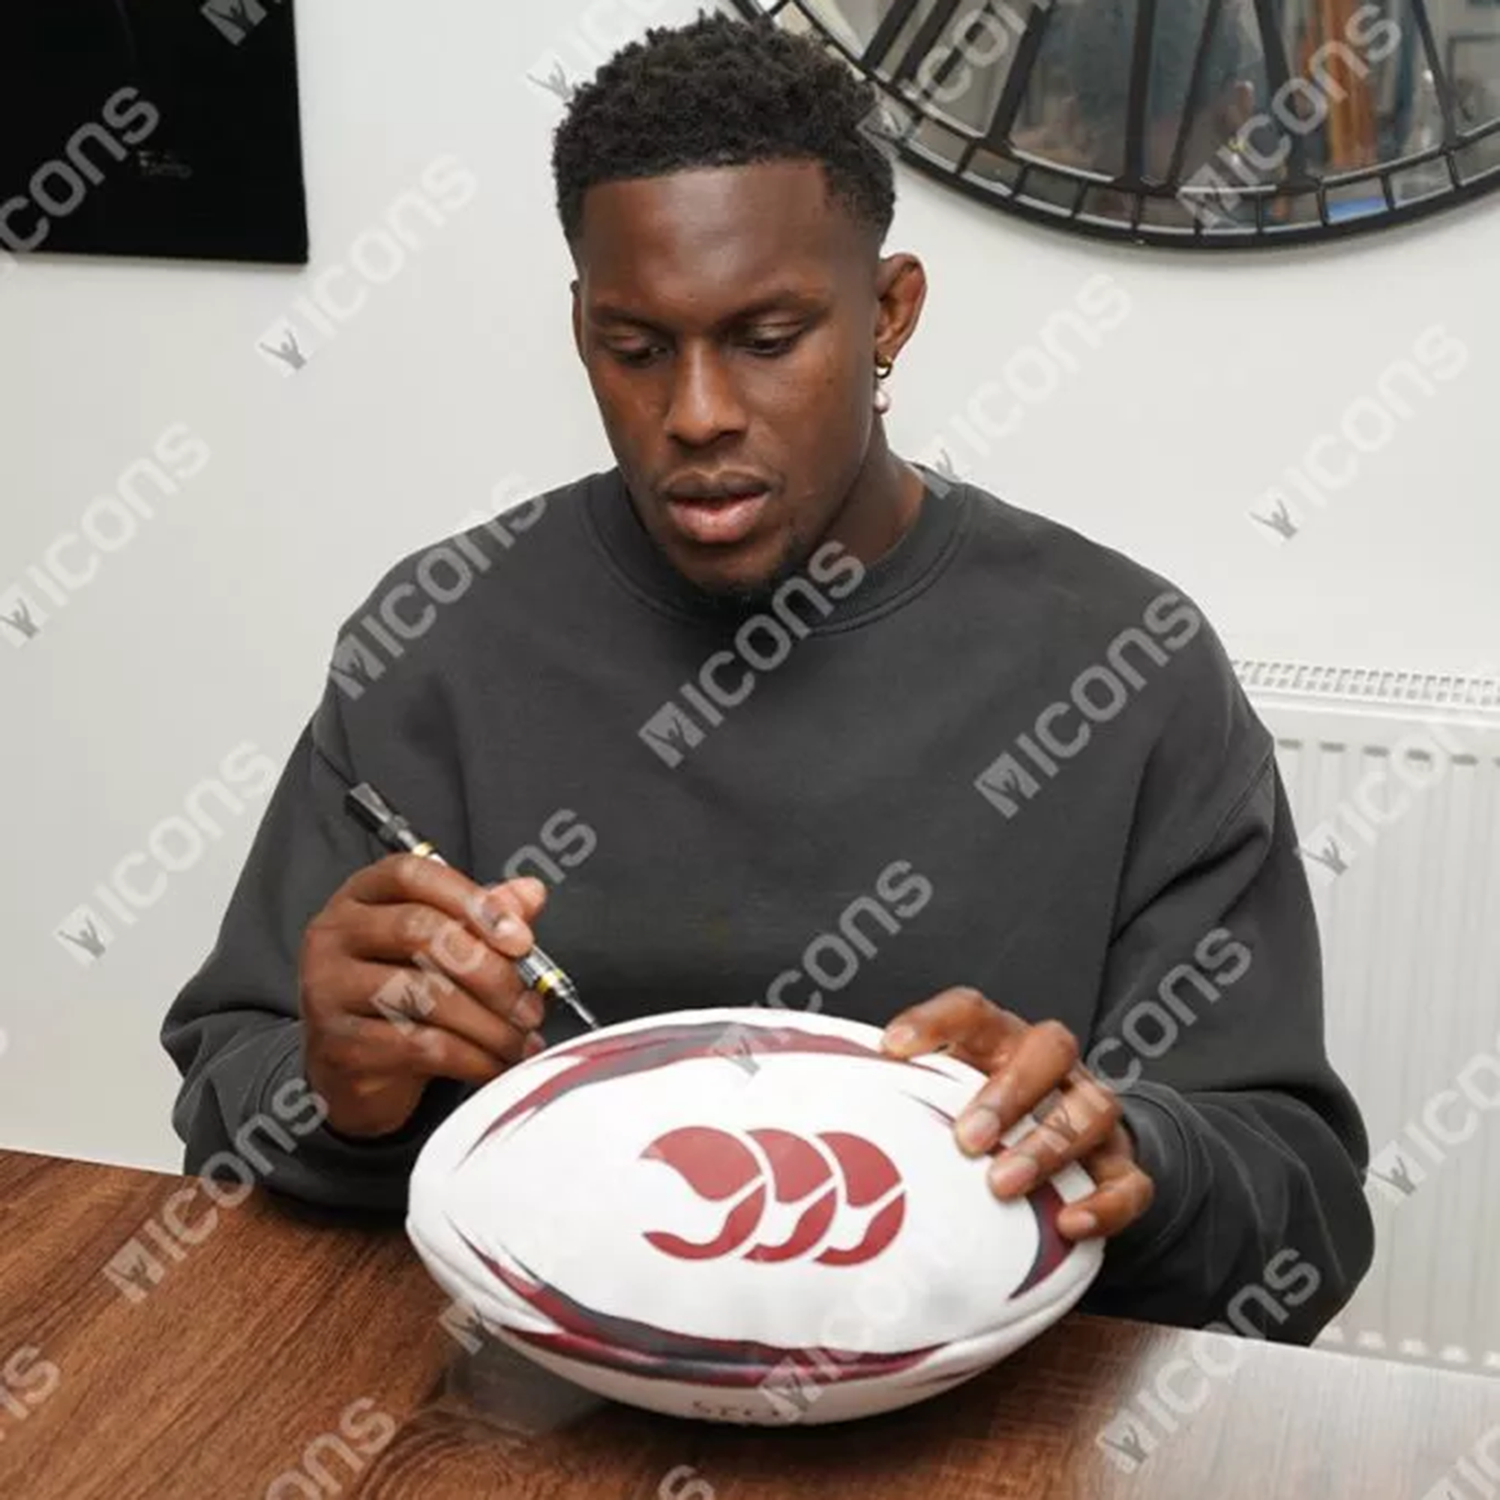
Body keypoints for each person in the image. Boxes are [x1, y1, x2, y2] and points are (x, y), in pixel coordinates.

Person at [162, 11, 1373, 1343]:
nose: (694, 414)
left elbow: (1304, 1224)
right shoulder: (438, 639)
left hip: (977, 1436)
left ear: (890, 313)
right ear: (580, 329)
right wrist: (344, 1090)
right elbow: (233, 1100)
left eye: (767, 336)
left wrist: (1137, 1153)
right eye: (635, 350)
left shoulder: (1128, 668)